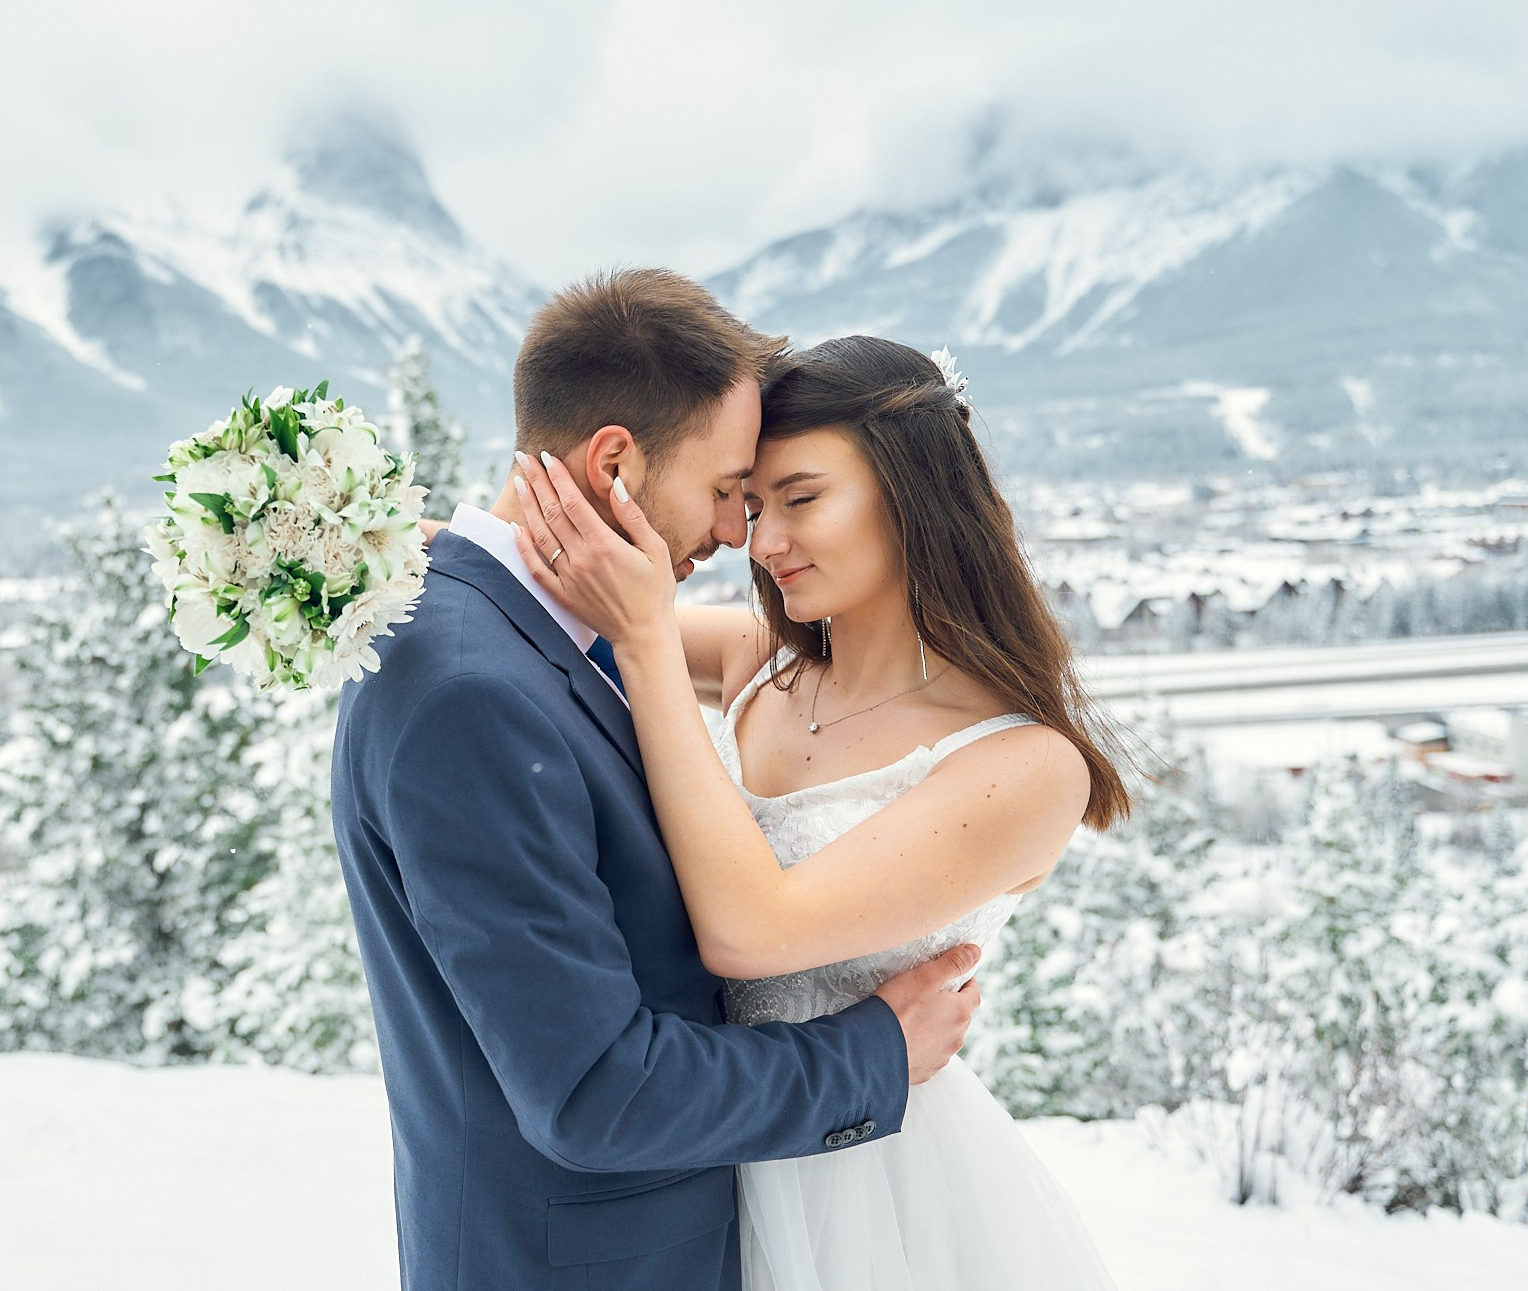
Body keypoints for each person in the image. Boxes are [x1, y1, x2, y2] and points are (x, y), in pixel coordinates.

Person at [330, 272, 984, 1291]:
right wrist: (875, 1056)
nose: (735, 533)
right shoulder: (473, 692)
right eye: (727, 489)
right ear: (613, 462)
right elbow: (596, 1092)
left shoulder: (520, 628)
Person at [509, 332, 1130, 1289]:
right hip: (700, 1145)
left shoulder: (1023, 765)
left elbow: (752, 931)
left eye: (801, 500)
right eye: (754, 506)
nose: (763, 543)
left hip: (871, 1192)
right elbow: (556, 583)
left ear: (916, 493)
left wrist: (645, 643)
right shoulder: (761, 663)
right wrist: (363, 537)